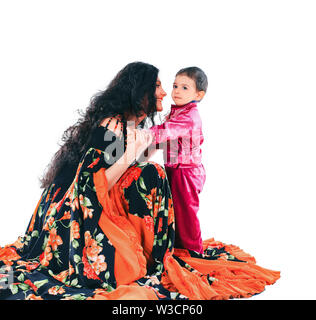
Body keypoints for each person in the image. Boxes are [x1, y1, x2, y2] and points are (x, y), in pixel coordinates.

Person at [0, 62, 280, 300]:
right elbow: (88, 186)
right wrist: (133, 152)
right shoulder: (110, 125)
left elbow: (137, 163)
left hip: (106, 198)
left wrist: (144, 149)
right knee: (125, 267)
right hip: (73, 208)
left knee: (153, 172)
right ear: (140, 92)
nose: (164, 92)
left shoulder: (135, 123)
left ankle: (157, 248)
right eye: (158, 86)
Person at [146, 67, 207, 254]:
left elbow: (165, 131)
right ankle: (180, 245)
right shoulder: (178, 112)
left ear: (199, 94)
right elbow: (164, 135)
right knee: (174, 210)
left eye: (185, 87)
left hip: (186, 172)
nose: (177, 91)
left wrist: (139, 134)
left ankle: (194, 251)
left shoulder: (189, 116)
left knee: (186, 213)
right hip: (174, 169)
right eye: (175, 86)